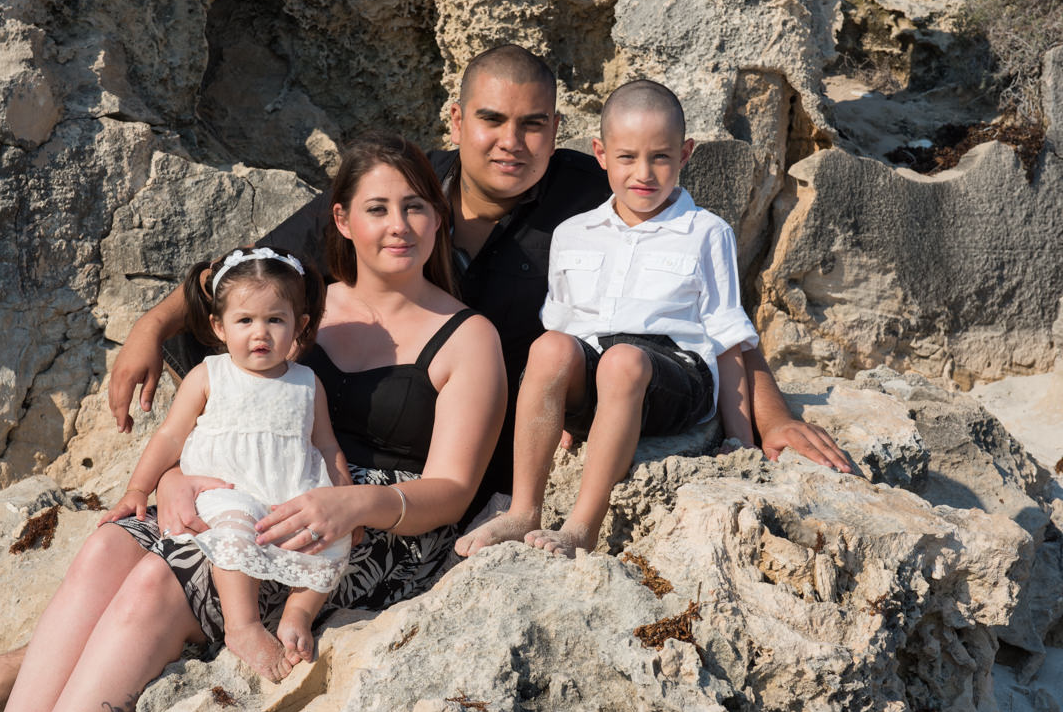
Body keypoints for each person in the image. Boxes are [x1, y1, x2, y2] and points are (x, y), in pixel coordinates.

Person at [0, 133, 506, 712]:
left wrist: (351, 503)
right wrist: (178, 475)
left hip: (368, 524)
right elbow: (229, 404)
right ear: (341, 220)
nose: (399, 225)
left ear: (439, 215)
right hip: (248, 485)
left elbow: (451, 488)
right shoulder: (293, 304)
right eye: (378, 208)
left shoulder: (468, 335)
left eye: (415, 207)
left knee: (161, 579)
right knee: (108, 547)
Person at [105, 45, 850, 541]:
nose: (511, 142)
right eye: (491, 119)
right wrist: (155, 321)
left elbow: (708, 307)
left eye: (533, 125)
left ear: (560, 131)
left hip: (470, 475)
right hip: (348, 448)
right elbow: (263, 267)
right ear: (456, 120)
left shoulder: (595, 198)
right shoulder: (403, 193)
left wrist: (773, 414)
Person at [489, 79, 759, 558]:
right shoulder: (574, 233)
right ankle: (522, 510)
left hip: (676, 378)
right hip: (602, 373)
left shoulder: (706, 232)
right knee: (548, 346)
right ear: (600, 153)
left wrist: (740, 438)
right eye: (628, 156)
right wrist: (562, 414)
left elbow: (725, 334)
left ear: (686, 153)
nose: (645, 173)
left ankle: (581, 526)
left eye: (661, 157)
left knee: (624, 361)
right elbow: (565, 328)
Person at [99, 245, 353, 683]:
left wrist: (344, 494)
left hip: (290, 492)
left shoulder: (307, 383)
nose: (261, 333)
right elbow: (170, 436)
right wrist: (139, 488)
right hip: (227, 491)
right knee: (235, 531)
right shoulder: (209, 374)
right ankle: (244, 625)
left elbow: (326, 444)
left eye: (276, 320)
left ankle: (298, 612)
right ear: (218, 326)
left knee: (333, 543)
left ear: (301, 326)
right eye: (245, 321)